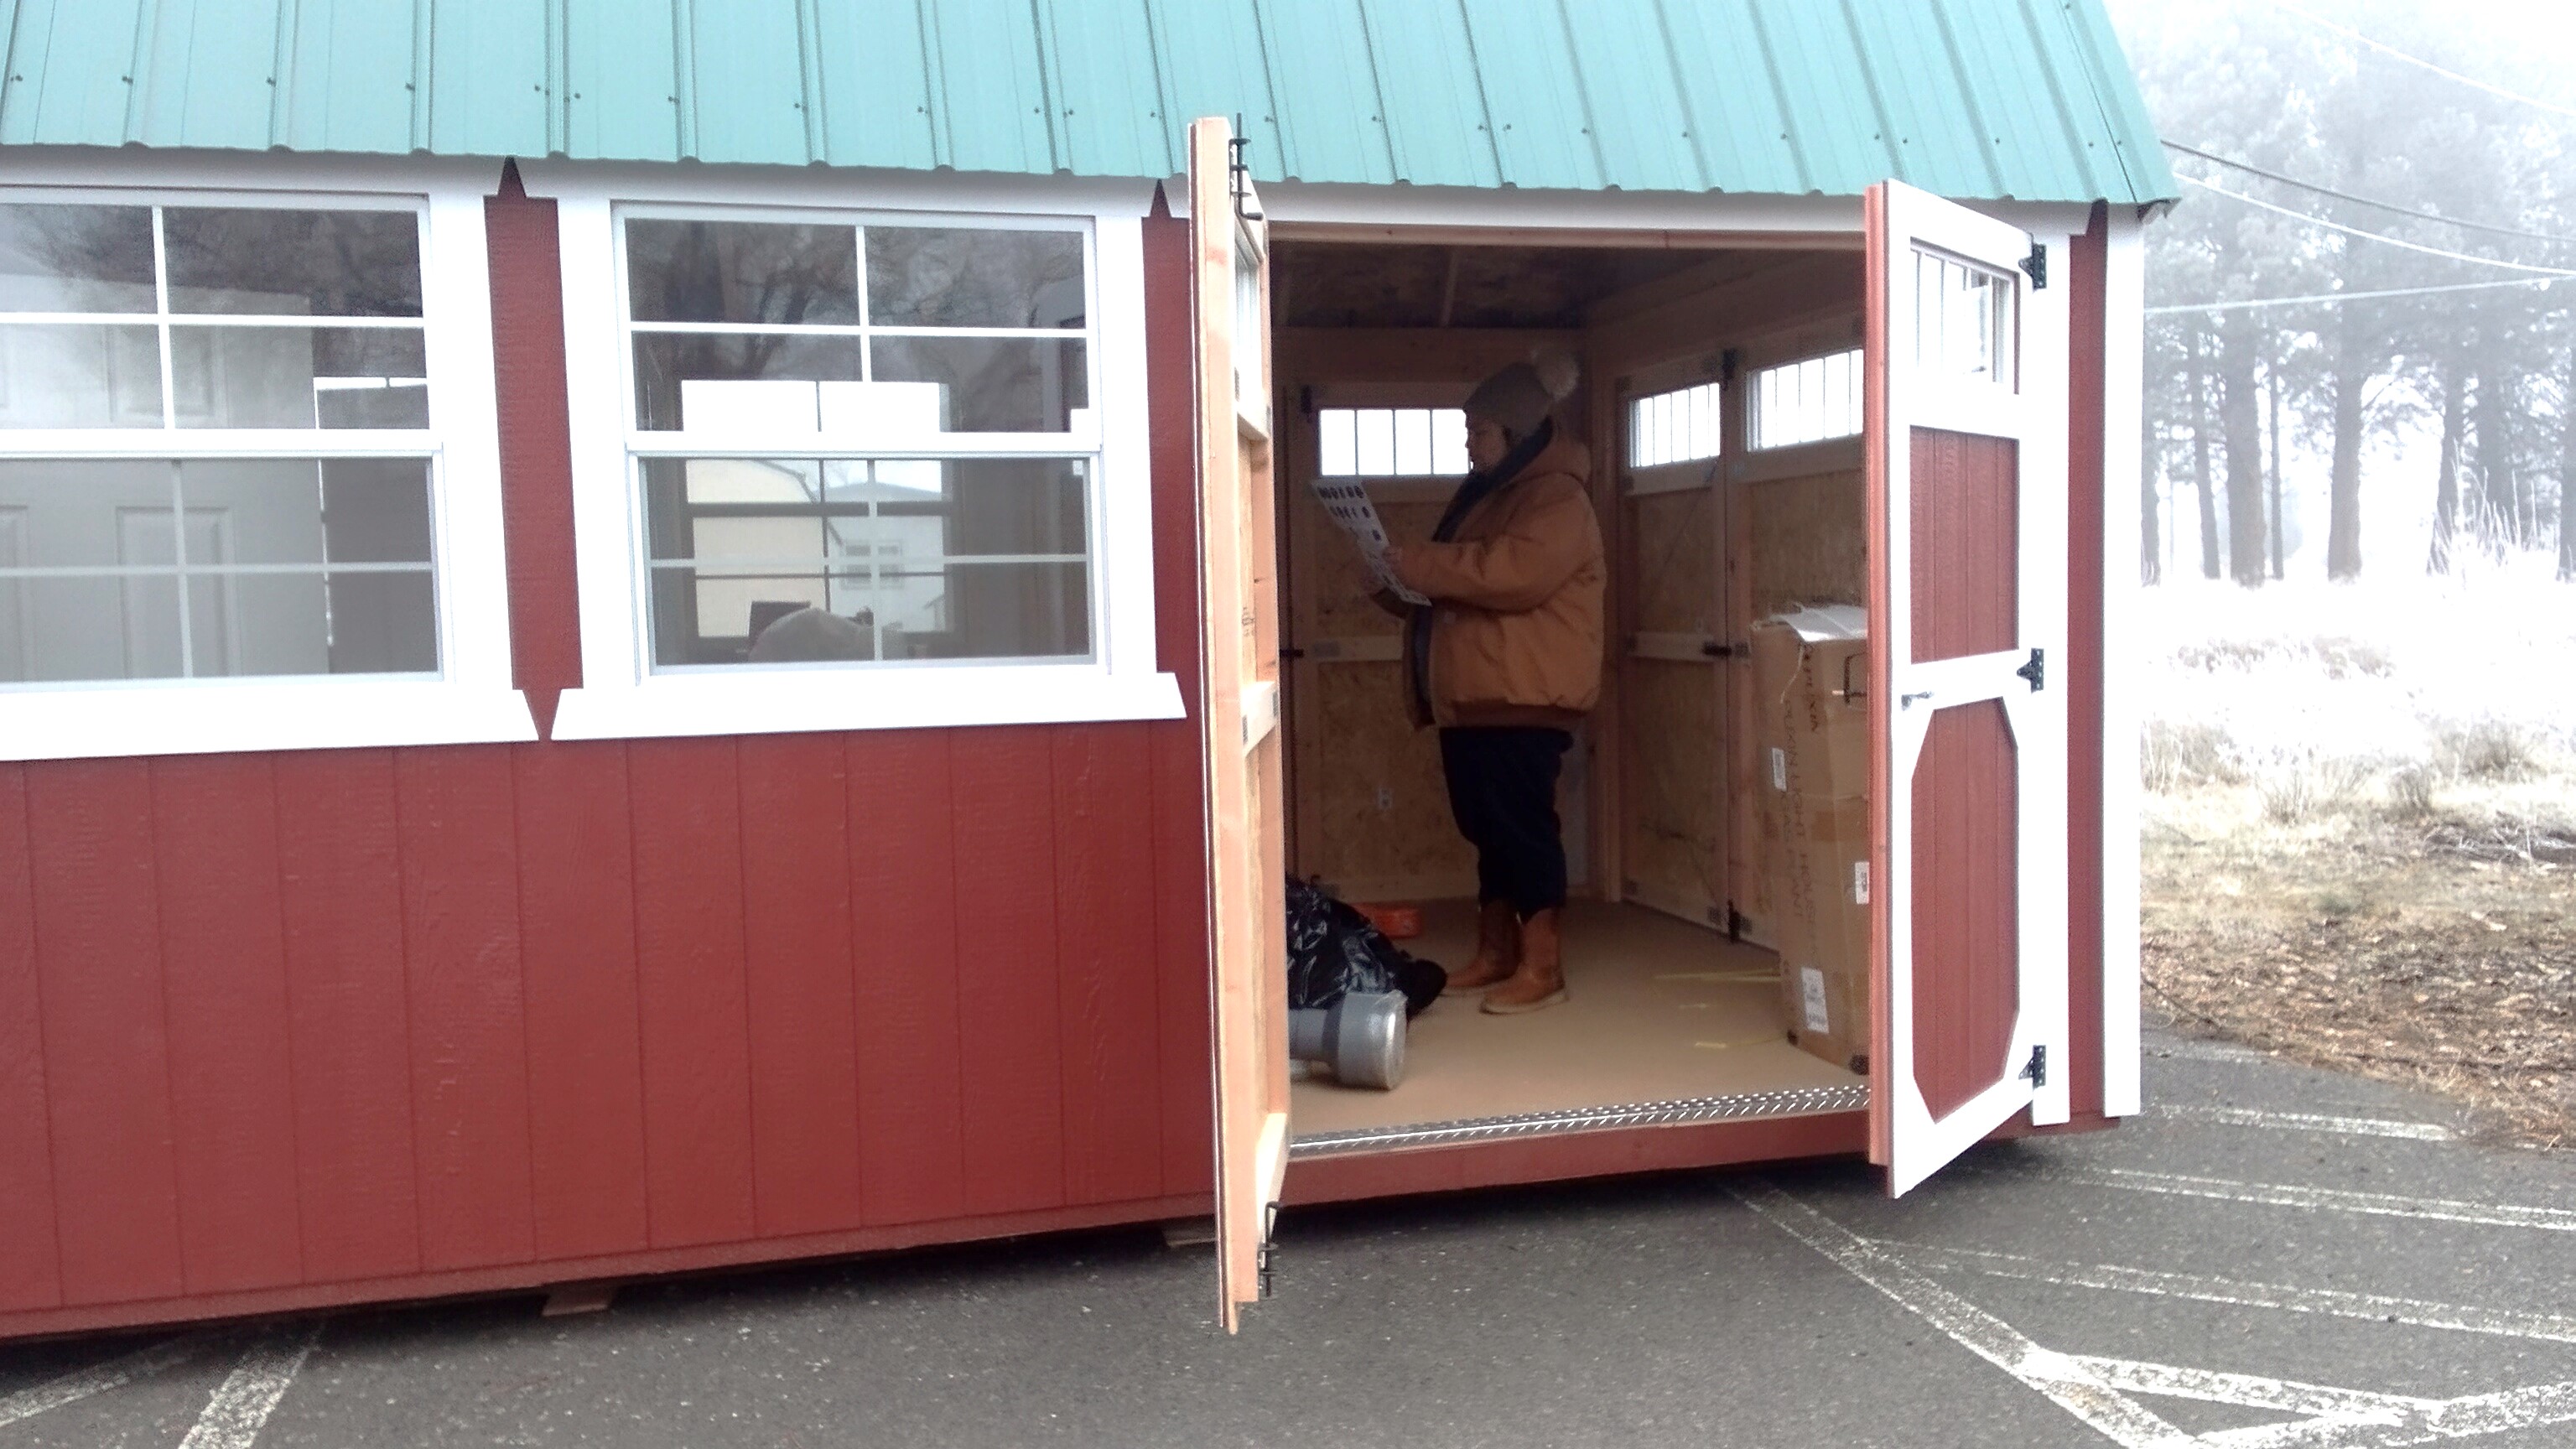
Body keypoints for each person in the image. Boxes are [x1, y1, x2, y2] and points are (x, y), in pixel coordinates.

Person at [1379, 351, 1603, 1015]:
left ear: (1517, 433)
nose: (1469, 441)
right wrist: (1389, 577)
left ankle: (1543, 964)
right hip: (1481, 698)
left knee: (1523, 829)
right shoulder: (1490, 494)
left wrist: (1415, 563)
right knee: (1489, 827)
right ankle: (1497, 951)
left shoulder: (1558, 499)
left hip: (1523, 698)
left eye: (1479, 430)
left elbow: (1507, 574)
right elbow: (1450, 584)